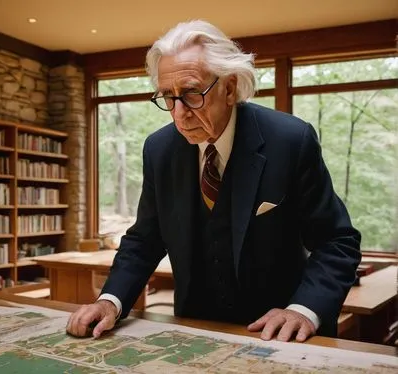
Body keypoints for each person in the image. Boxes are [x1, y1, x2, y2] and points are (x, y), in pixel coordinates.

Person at [66, 20, 361, 342]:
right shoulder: (159, 149)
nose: (179, 113)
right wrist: (110, 301)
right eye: (168, 97)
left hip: (280, 333)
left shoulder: (290, 140)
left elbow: (337, 241)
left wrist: (304, 309)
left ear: (230, 88)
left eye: (192, 93)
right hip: (195, 330)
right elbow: (145, 240)